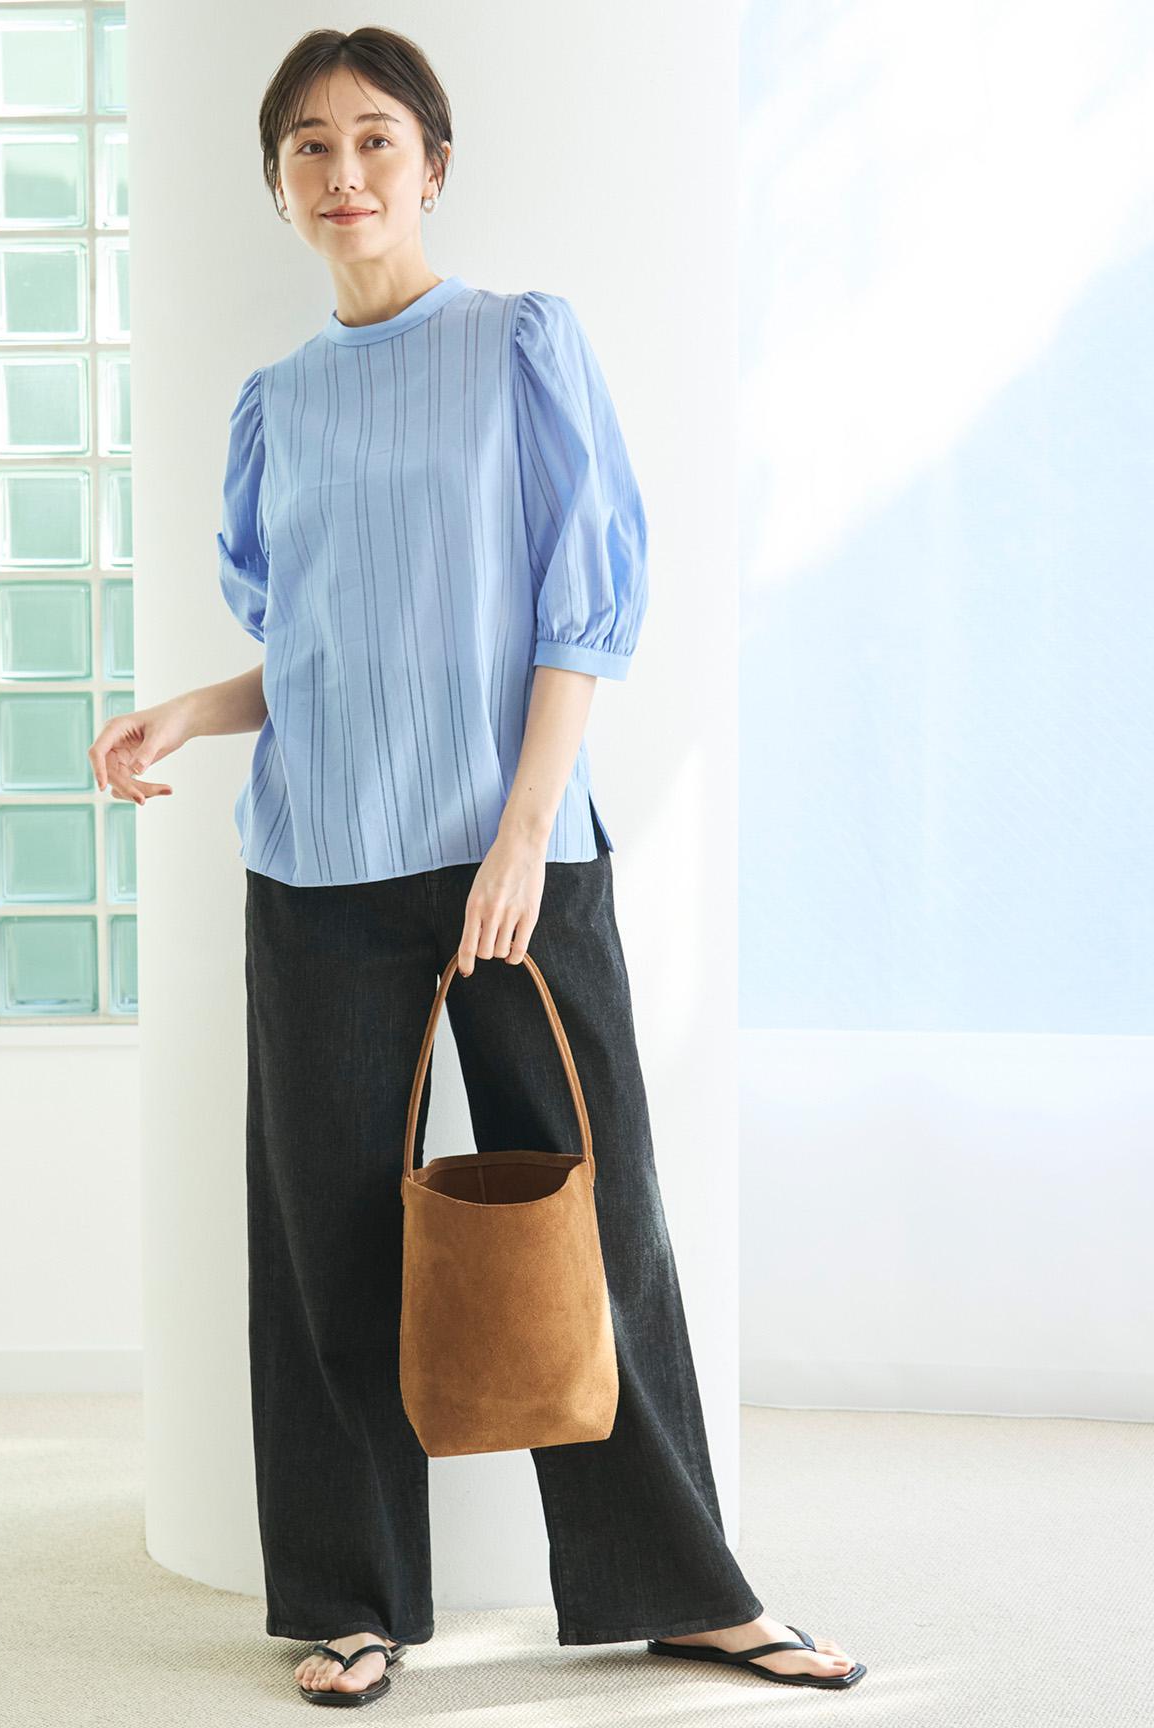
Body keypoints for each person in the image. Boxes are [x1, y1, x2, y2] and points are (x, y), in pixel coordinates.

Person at [88, 24, 866, 1711]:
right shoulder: (277, 406)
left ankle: (687, 1590)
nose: (343, 170)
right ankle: (354, 1602)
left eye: (375, 137)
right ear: (279, 185)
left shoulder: (520, 344)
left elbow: (581, 608)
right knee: (327, 1240)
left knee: (602, 1220)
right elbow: (328, 650)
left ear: (432, 164)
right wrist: (195, 711)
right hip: (317, 867)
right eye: (309, 145)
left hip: (516, 861)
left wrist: (522, 834)